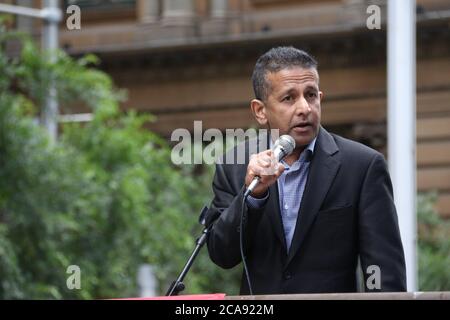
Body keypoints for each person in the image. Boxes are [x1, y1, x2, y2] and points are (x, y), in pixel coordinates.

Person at [206, 46, 406, 295]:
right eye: (289, 98)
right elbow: (221, 253)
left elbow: (384, 273)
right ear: (260, 111)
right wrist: (253, 196)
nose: (305, 108)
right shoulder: (234, 165)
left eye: (311, 95)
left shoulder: (362, 166)